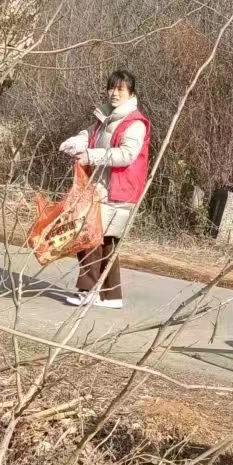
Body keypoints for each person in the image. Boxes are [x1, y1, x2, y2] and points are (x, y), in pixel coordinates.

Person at [59, 69, 150, 310]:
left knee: (90, 236)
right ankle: (111, 295)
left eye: (120, 89)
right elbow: (90, 134)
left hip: (116, 189)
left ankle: (87, 290)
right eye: (111, 87)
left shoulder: (134, 123)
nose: (114, 93)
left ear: (131, 93)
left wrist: (90, 155)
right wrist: (78, 141)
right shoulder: (106, 117)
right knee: (106, 242)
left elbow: (127, 154)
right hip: (102, 187)